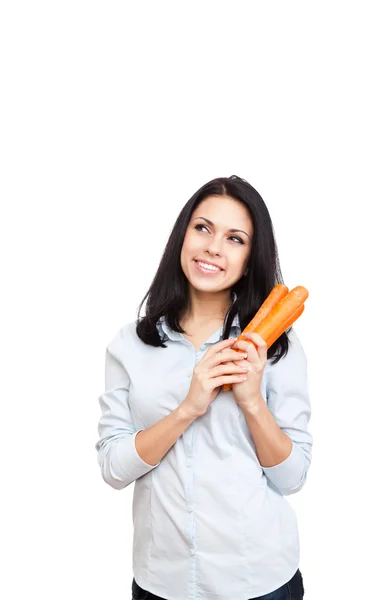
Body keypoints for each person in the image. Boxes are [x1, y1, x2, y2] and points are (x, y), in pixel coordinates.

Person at [95, 175, 312, 600]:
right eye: (203, 228)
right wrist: (187, 409)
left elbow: (293, 477)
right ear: (183, 236)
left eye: (235, 238)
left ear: (249, 259)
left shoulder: (277, 347)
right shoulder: (130, 345)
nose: (213, 247)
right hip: (163, 582)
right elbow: (113, 468)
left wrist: (252, 403)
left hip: (258, 581)